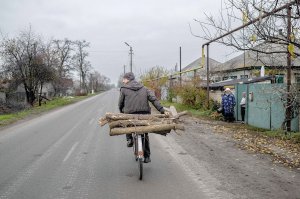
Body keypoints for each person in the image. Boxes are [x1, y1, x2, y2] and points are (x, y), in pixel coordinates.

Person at [118, 72, 165, 163]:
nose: (123, 81)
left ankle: (129, 139)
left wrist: (121, 111)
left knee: (127, 122)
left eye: (124, 79)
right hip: (144, 115)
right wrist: (161, 110)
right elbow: (153, 100)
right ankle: (147, 156)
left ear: (128, 79)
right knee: (145, 134)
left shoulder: (123, 89)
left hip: (130, 114)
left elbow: (120, 103)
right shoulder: (144, 88)